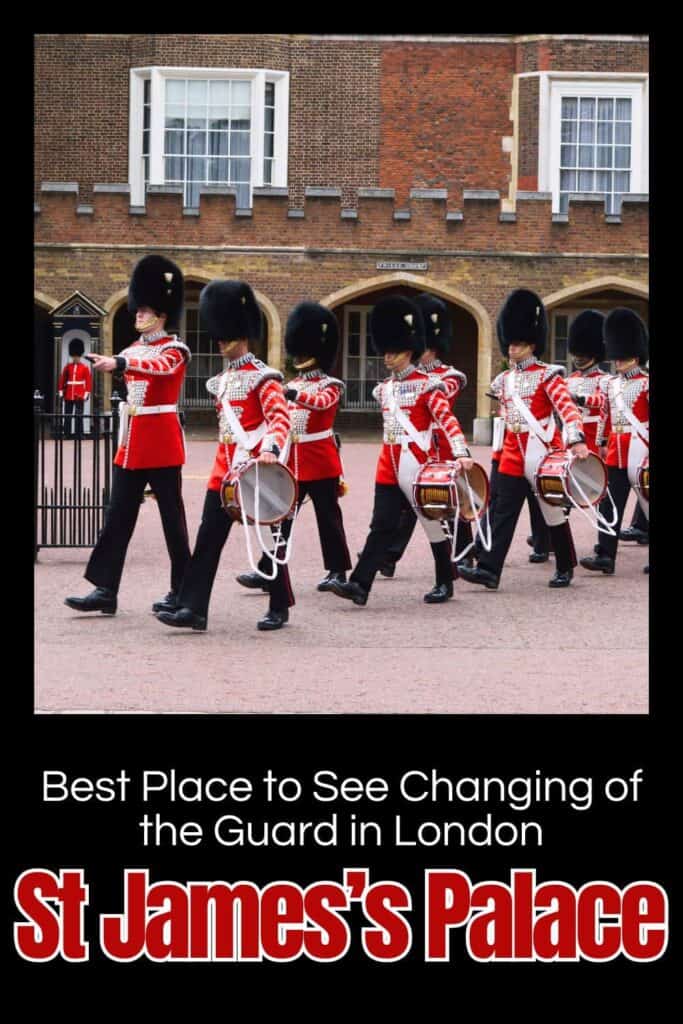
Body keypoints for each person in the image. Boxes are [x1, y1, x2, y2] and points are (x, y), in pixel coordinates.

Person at [156, 279, 294, 632]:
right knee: (207, 542)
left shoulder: (264, 377)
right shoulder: (221, 381)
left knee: (271, 540)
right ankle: (193, 610)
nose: (220, 341)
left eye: (226, 335)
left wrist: (269, 450)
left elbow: (280, 419)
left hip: (257, 469)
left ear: (243, 335)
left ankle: (279, 605)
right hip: (224, 471)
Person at [64, 255, 191, 616]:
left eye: (144, 309)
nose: (137, 314)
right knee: (117, 517)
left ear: (162, 314)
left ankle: (182, 589)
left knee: (173, 523)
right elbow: (137, 364)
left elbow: (159, 367)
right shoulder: (133, 348)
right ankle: (106, 589)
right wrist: (122, 360)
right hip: (133, 443)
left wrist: (119, 363)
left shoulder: (174, 349)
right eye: (138, 309)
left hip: (162, 443)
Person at [328, 294, 472, 608]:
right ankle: (360, 586)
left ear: (408, 352)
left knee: (431, 522)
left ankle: (444, 581)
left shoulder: (428, 385)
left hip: (417, 463)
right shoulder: (385, 389)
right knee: (381, 524)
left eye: (392, 353)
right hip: (388, 465)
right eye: (386, 352)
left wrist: (460, 452)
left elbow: (446, 420)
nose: (387, 358)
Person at [458, 288, 589, 591]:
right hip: (513, 454)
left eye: (518, 344)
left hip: (542, 453)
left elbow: (567, 410)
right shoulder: (504, 380)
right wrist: (498, 451)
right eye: (511, 343)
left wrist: (576, 440)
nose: (512, 349)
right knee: (502, 511)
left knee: (551, 512)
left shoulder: (548, 376)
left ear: (532, 345)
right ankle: (490, 570)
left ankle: (566, 565)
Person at [236, 301, 352, 594]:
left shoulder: (331, 384)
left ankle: (337, 571)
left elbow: (321, 403)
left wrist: (292, 393)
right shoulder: (293, 382)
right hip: (293, 460)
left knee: (328, 518)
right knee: (280, 516)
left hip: (320, 459)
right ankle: (268, 568)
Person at [377, 292, 474, 576]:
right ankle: (389, 554)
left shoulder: (448, 377)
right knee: (411, 505)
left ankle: (465, 552)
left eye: (428, 348)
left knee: (450, 504)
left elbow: (442, 406)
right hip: (416, 453)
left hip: (442, 449)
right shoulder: (406, 378)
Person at [579, 308, 649, 577]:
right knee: (609, 503)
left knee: (647, 501)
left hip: (640, 447)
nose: (617, 362)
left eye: (622, 358)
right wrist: (601, 442)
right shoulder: (610, 384)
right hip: (616, 452)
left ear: (634, 355)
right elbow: (605, 415)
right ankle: (605, 554)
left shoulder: (645, 383)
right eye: (616, 358)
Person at [565, 310, 609, 456]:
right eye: (575, 353)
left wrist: (581, 398)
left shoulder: (604, 380)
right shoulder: (568, 380)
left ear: (595, 354)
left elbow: (601, 401)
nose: (578, 358)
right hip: (570, 436)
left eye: (582, 355)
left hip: (593, 437)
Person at [58, 338, 92, 438]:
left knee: (79, 416)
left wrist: (86, 394)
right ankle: (67, 433)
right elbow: (62, 380)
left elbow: (88, 382)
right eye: (74, 356)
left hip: (79, 395)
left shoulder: (84, 367)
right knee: (67, 415)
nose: (75, 358)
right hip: (68, 394)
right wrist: (61, 391)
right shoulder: (68, 367)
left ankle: (79, 433)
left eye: (76, 356)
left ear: (80, 355)